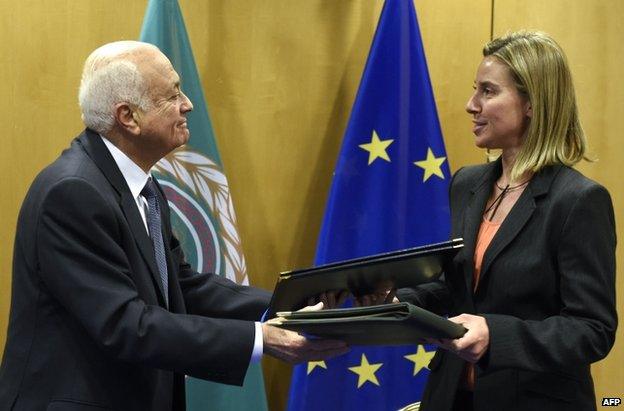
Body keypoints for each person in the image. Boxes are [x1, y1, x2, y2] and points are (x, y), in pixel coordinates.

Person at [0, 41, 348, 411]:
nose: (188, 104)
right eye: (172, 95)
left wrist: (291, 306)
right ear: (128, 116)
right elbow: (126, 324)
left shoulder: (140, 185)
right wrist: (262, 339)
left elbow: (183, 287)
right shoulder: (72, 193)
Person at [397, 31, 617, 411]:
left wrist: (495, 335)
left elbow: (592, 330)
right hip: (450, 396)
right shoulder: (466, 183)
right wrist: (395, 300)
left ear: (531, 102)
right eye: (474, 90)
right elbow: (457, 289)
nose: (471, 105)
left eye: (488, 91)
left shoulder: (578, 201)